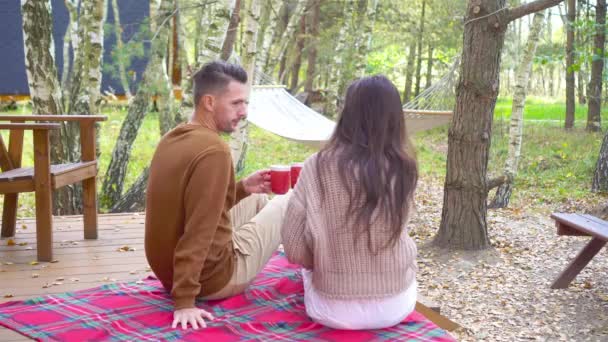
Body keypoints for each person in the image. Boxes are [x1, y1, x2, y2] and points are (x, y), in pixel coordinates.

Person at [145, 60, 291, 331]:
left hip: (166, 271)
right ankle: (315, 271)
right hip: (212, 280)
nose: (244, 112)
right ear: (209, 102)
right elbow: (199, 231)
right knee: (288, 201)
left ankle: (248, 198)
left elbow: (192, 204)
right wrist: (185, 300)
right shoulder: (214, 151)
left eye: (245, 103)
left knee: (257, 198)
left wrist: (242, 187)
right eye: (236, 103)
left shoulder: (173, 137)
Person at [281, 75, 419, 330]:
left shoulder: (317, 166)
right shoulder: (405, 168)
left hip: (331, 310)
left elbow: (293, 246)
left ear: (348, 114)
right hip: (396, 306)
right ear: (395, 118)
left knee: (306, 272)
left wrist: (323, 264)